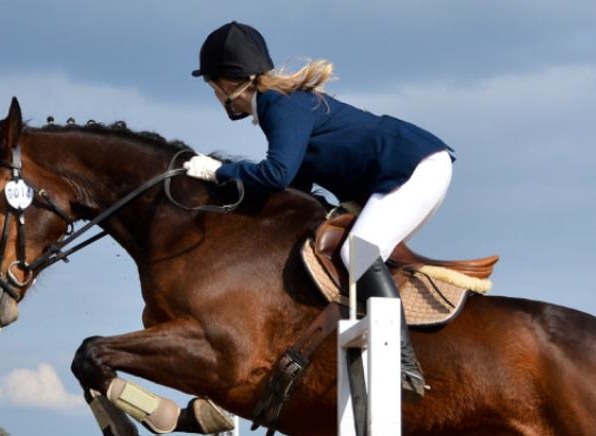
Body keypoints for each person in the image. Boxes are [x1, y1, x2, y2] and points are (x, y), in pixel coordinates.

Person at [183, 21, 455, 401]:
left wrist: (219, 171)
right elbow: (297, 187)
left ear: (229, 85)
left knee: (358, 249)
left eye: (214, 89)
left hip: (413, 167)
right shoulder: (279, 107)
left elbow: (277, 174)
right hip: (401, 171)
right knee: (350, 247)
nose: (217, 97)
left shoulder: (281, 105)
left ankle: (403, 365)